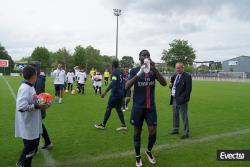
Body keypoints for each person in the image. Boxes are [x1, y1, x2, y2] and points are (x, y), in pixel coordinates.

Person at [125, 50, 167, 167]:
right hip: (138, 107)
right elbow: (127, 86)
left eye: (148, 55)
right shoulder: (134, 70)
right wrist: (139, 73)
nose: (147, 57)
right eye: (144, 55)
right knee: (137, 132)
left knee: (153, 132)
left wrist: (155, 70)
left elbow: (164, 83)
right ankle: (138, 157)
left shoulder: (153, 71)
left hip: (150, 107)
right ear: (139, 58)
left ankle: (148, 151)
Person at [15, 66, 48, 167]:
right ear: (33, 76)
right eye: (36, 75)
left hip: (32, 122)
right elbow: (21, 107)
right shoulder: (25, 88)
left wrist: (41, 101)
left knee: (31, 146)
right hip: (28, 123)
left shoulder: (30, 86)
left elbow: (32, 100)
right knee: (31, 146)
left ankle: (22, 162)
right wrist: (37, 106)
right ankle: (24, 163)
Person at [94, 60, 127, 131]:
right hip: (121, 93)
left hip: (115, 94)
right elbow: (124, 82)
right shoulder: (122, 72)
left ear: (112, 66)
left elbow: (113, 82)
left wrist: (105, 92)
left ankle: (103, 125)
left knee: (109, 108)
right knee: (118, 109)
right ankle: (123, 125)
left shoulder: (114, 73)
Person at [29, 63, 53, 151]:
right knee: (39, 126)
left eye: (32, 68)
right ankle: (48, 143)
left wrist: (35, 105)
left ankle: (35, 148)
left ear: (37, 70)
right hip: (39, 106)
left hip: (39, 106)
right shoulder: (38, 78)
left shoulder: (38, 79)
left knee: (37, 127)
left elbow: (39, 94)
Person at [169, 63, 192, 139]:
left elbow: (188, 90)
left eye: (179, 68)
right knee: (175, 114)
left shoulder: (187, 76)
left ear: (183, 68)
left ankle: (186, 132)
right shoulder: (175, 75)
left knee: (184, 116)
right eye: (176, 68)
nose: (177, 69)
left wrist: (184, 99)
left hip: (182, 100)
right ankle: (175, 129)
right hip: (174, 98)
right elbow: (174, 85)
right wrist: (171, 86)